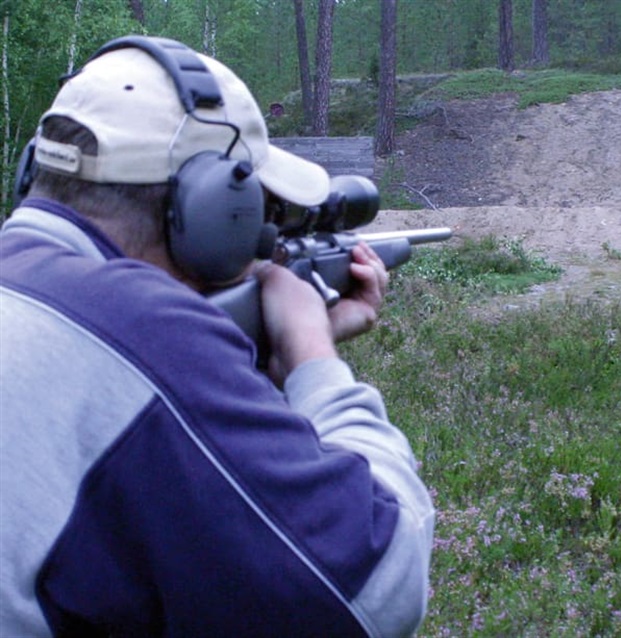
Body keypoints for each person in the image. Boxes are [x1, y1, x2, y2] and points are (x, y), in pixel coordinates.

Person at [0, 36, 434, 637]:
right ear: (212, 212)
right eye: (257, 215)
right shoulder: (149, 332)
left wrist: (248, 369)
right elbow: (381, 588)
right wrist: (314, 360)